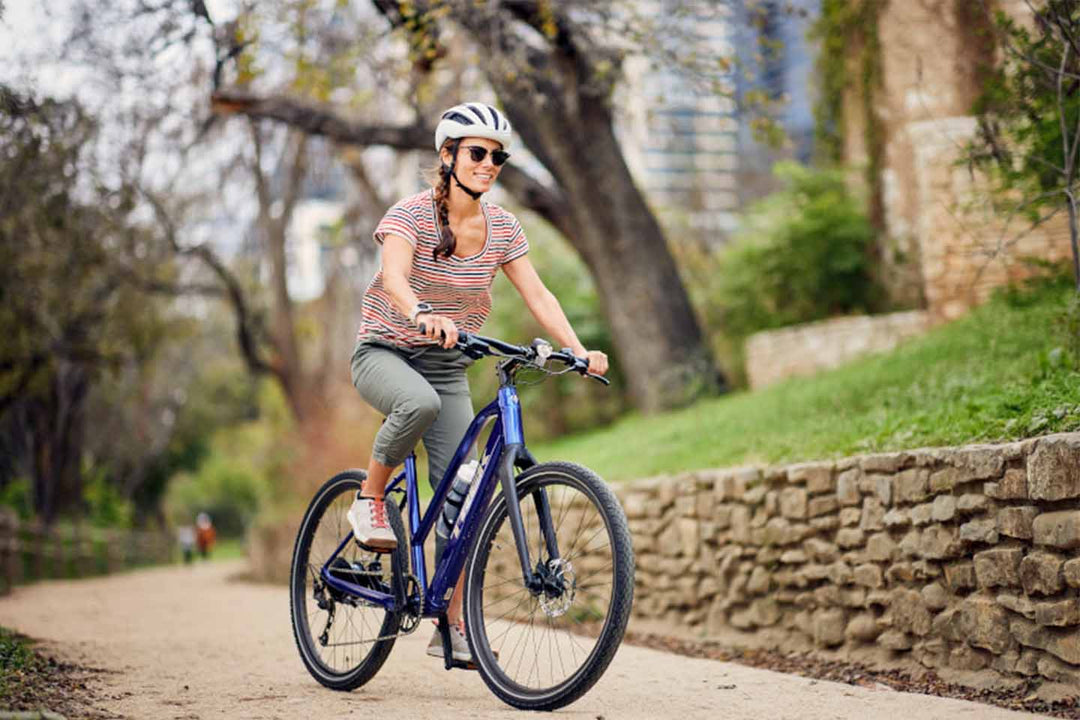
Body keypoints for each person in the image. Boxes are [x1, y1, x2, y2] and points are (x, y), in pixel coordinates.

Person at [345, 102, 608, 665]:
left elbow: (538, 294)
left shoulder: (503, 228)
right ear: (448, 157)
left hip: (448, 363)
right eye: (478, 153)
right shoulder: (410, 215)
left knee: (465, 497)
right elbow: (392, 275)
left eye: (498, 156)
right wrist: (420, 311)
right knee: (414, 404)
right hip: (385, 351)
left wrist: (578, 350)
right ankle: (369, 499)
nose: (490, 163)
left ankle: (453, 620)